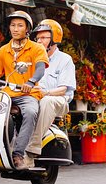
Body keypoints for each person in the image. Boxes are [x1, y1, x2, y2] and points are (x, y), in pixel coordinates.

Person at [0, 10, 49, 170]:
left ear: (27, 29)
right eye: (13, 25)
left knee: (30, 113)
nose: (15, 29)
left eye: (20, 26)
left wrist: (31, 82)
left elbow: (40, 68)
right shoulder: (3, 50)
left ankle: (18, 154)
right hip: (6, 95)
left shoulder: (37, 48)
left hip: (28, 95)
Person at [25, 19, 76, 165]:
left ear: (54, 39)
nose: (39, 41)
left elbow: (63, 89)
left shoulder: (65, 60)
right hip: (35, 98)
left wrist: (45, 93)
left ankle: (32, 149)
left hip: (58, 101)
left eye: (44, 38)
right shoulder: (32, 58)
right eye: (37, 38)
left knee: (46, 101)